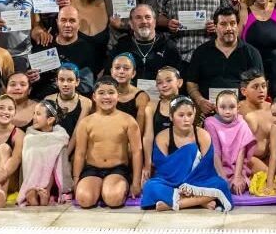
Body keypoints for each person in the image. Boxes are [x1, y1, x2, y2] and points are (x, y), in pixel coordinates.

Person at [142, 96, 232, 211]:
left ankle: (173, 204)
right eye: (181, 115)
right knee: (150, 186)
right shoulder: (162, 137)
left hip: (198, 180)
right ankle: (201, 201)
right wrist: (182, 183)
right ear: (171, 116)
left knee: (221, 185)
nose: (186, 119)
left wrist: (189, 185)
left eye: (190, 114)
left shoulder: (202, 135)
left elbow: (206, 168)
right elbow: (163, 169)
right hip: (171, 181)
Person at [73, 78, 143, 208]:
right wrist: (76, 179)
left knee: (114, 199)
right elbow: (80, 153)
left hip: (118, 169)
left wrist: (136, 182)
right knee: (84, 200)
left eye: (111, 92)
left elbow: (137, 152)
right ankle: (99, 188)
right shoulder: (86, 123)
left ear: (118, 96)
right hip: (93, 169)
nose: (106, 97)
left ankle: (109, 188)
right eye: (101, 93)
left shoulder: (128, 121)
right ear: (94, 96)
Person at [185, 6, 264, 114]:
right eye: (223, 24)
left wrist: (245, 105)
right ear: (215, 27)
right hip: (208, 111)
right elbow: (191, 83)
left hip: (241, 112)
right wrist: (200, 101)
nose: (229, 28)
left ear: (237, 26)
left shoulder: (252, 53)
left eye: (232, 23)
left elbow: (259, 85)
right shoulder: (201, 52)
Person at [205, 90, 263, 194]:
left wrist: (237, 177)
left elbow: (242, 151)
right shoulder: (210, 123)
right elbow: (215, 152)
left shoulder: (241, 123)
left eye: (232, 107)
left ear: (238, 108)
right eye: (223, 107)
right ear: (216, 109)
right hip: (216, 168)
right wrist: (223, 179)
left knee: (238, 187)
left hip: (236, 169)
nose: (227, 111)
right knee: (218, 187)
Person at [38, 6, 102, 98]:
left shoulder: (88, 50)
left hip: (72, 99)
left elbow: (87, 86)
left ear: (79, 24)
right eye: (63, 20)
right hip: (42, 98)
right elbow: (35, 77)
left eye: (72, 21)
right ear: (57, 22)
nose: (67, 25)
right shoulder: (45, 43)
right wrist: (32, 77)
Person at [20, 99, 72, 206]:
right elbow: (27, 160)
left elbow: (61, 163)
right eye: (34, 113)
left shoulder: (60, 137)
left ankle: (45, 192)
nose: (34, 117)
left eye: (38, 114)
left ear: (50, 120)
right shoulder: (30, 137)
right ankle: (33, 192)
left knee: (52, 157)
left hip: (53, 183)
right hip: (32, 179)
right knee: (38, 155)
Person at [110, 4, 181, 81]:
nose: (144, 21)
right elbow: (108, 78)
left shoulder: (169, 47)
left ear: (155, 22)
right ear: (131, 24)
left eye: (148, 17)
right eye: (138, 17)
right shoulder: (121, 46)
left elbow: (178, 80)